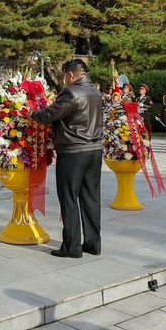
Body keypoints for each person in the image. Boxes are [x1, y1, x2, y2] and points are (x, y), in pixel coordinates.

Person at [30, 59, 103, 258]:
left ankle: (72, 247)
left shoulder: (71, 92)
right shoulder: (96, 92)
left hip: (73, 151)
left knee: (69, 198)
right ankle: (93, 244)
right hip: (95, 150)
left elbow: (50, 114)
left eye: (64, 76)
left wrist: (32, 114)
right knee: (91, 198)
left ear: (70, 74)